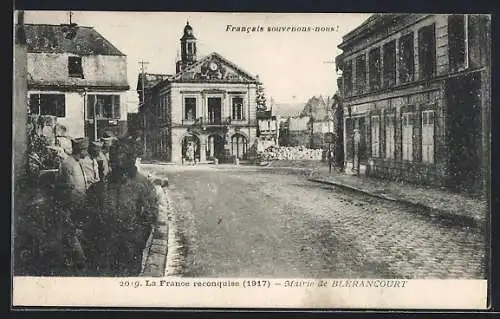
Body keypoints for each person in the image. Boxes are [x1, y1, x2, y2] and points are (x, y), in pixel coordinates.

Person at [83, 137, 159, 276]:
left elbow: (150, 217)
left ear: (131, 160)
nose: (116, 163)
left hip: (130, 250)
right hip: (104, 251)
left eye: (121, 159)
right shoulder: (99, 187)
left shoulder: (144, 186)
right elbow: (89, 218)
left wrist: (136, 242)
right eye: (114, 159)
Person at [54, 137, 89, 275]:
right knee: (69, 233)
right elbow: (69, 187)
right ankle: (79, 260)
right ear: (81, 150)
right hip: (69, 206)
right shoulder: (69, 164)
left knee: (71, 233)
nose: (87, 152)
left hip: (76, 206)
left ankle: (72, 259)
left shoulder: (75, 162)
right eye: (85, 149)